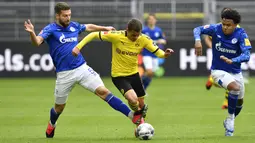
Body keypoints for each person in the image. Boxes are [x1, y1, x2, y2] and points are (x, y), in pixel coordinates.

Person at [24, 2, 144, 138]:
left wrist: (104, 27)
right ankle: (52, 123)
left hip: (82, 68)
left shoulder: (74, 26)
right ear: (57, 15)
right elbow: (37, 42)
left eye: (69, 15)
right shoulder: (50, 29)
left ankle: (133, 116)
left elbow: (88, 27)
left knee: (104, 92)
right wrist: (32, 33)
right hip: (64, 74)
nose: (68, 18)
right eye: (65, 16)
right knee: (59, 108)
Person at [72, 18, 174, 119]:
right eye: (133, 35)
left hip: (134, 74)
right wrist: (78, 47)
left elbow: (158, 52)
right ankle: (138, 114)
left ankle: (140, 117)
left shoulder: (144, 39)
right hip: (119, 76)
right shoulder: (116, 36)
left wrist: (165, 54)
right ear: (127, 30)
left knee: (141, 104)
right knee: (133, 100)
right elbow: (93, 34)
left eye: (138, 35)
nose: (135, 37)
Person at [193, 9, 251, 136]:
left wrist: (233, 60)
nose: (225, 27)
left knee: (239, 102)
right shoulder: (216, 28)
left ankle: (229, 120)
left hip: (235, 72)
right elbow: (198, 29)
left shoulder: (241, 34)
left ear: (235, 25)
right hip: (218, 70)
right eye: (224, 24)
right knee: (235, 88)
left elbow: (247, 55)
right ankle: (230, 121)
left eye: (228, 25)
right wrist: (197, 40)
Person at [141, 13, 167, 91]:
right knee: (149, 71)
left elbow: (164, 40)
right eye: (149, 19)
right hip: (146, 54)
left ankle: (143, 89)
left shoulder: (158, 30)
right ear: (148, 20)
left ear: (155, 20)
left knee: (151, 74)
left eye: (152, 19)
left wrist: (161, 41)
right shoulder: (144, 30)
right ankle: (138, 86)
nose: (151, 20)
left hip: (155, 54)